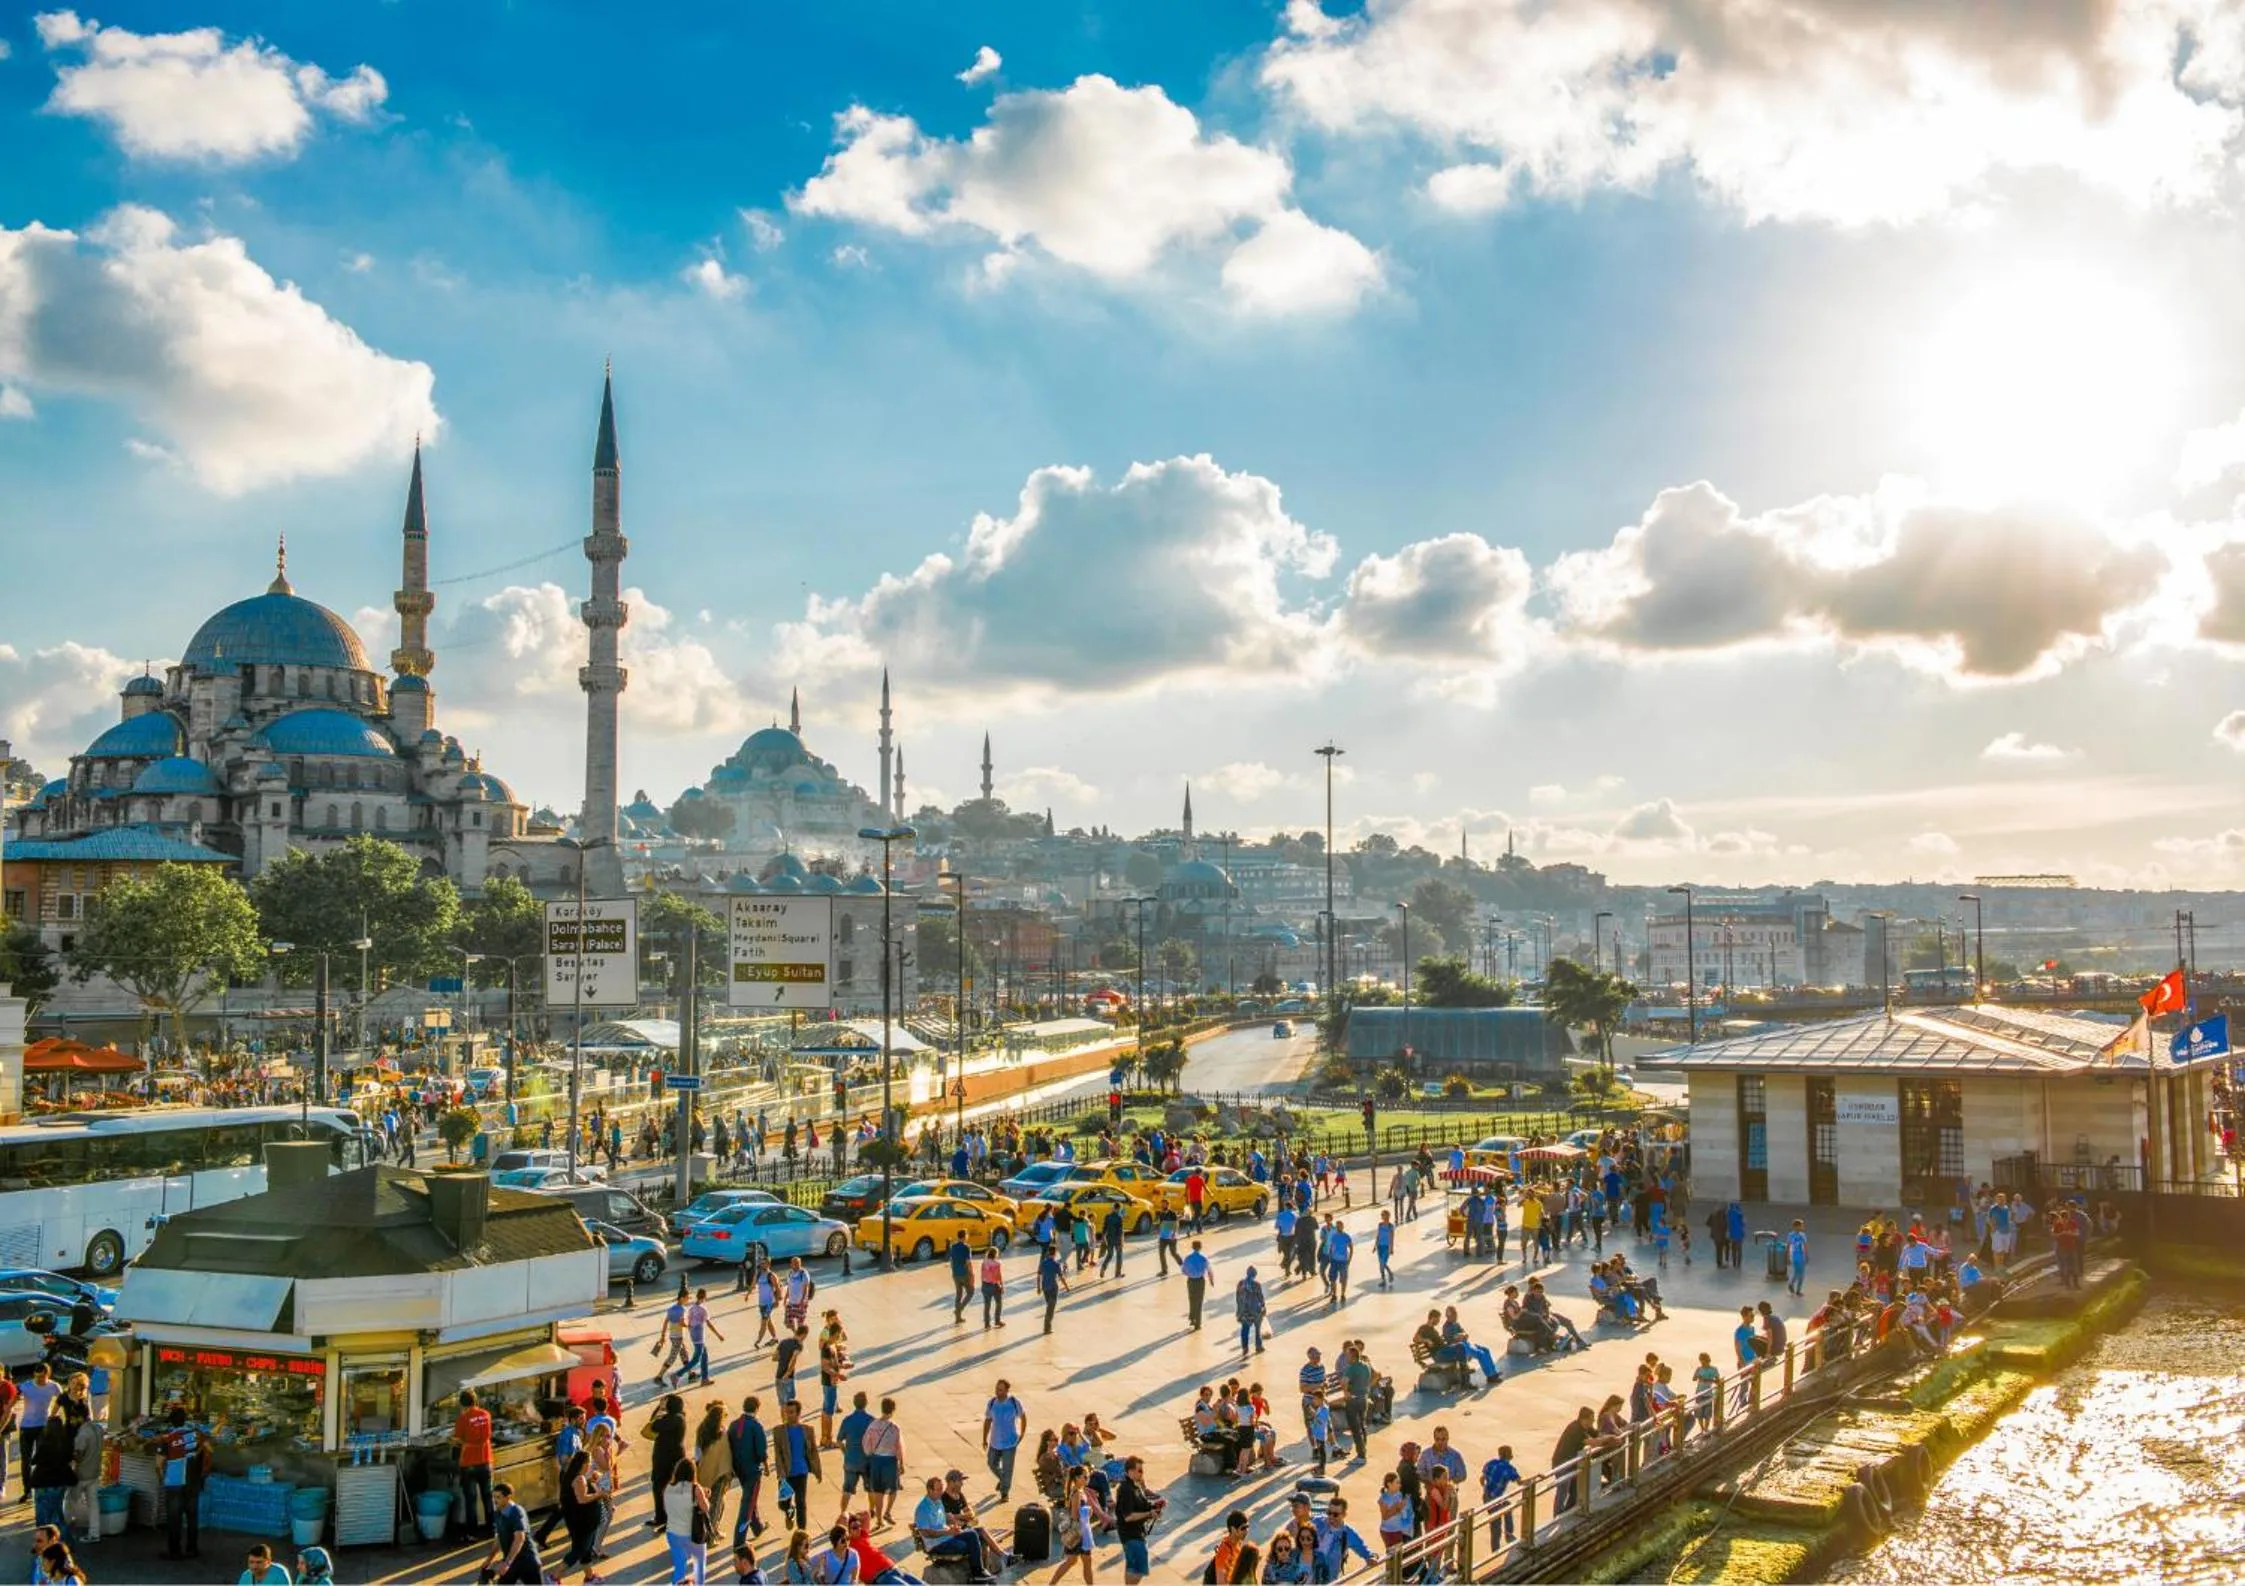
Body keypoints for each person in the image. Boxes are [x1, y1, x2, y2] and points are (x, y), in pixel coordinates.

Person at [912, 1475, 996, 1581]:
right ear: (929, 1490)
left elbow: (942, 1522)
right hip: (936, 1545)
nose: (941, 1492)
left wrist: (953, 1527)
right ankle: (978, 1573)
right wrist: (948, 1532)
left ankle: (980, 1572)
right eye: (938, 1490)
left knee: (976, 1533)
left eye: (942, 1489)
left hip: (947, 1537)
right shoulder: (923, 1509)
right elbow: (927, 1533)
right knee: (968, 1542)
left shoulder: (938, 1502)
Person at [158, 1403, 207, 1560]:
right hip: (192, 1482)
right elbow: (205, 1447)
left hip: (174, 1483)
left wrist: (161, 1479)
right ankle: (192, 1549)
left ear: (171, 1422)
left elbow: (159, 1464)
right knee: (192, 1517)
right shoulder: (195, 1434)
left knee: (174, 1519)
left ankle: (174, 1551)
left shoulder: (167, 1439)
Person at [1048, 1466, 1106, 1584]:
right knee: (1078, 1561)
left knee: (1076, 1561)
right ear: (1077, 1478)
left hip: (1081, 1532)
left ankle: (1052, 1584)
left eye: (1088, 1476)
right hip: (1079, 1533)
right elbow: (1074, 1515)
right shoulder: (1077, 1494)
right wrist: (1088, 1512)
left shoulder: (1079, 1491)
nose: (1087, 1479)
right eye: (1085, 1477)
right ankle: (1052, 1584)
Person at [1111, 1454, 1164, 1583]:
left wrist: (1156, 1506)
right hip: (1131, 1535)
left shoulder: (1135, 1487)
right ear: (1130, 1471)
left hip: (1136, 1533)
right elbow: (1128, 1517)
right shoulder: (1126, 1490)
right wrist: (1149, 1514)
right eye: (1139, 1470)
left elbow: (1143, 1505)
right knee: (1138, 1570)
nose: (1142, 1473)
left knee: (1133, 1567)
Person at [728, 1395, 771, 1550]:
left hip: (740, 1470)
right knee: (747, 1505)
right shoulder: (755, 1426)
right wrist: (766, 1466)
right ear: (757, 1408)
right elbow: (761, 1451)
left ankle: (757, 1527)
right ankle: (739, 1541)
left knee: (750, 1498)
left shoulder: (734, 1424)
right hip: (753, 1470)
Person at [643, 1393, 690, 1531]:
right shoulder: (671, 1417)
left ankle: (669, 1520)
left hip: (670, 1459)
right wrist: (660, 1408)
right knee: (658, 1487)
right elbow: (652, 1421)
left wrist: (661, 1409)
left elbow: (655, 1426)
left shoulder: (677, 1418)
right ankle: (660, 1517)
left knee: (666, 1489)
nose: (662, 1404)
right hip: (663, 1457)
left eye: (665, 1402)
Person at [664, 1455, 714, 1586]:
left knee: (679, 1567)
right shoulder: (695, 1488)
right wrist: (705, 1495)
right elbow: (705, 1508)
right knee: (699, 1565)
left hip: (673, 1534)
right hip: (692, 1534)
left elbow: (668, 1508)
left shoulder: (668, 1488)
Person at [453, 1388, 497, 1538]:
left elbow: (458, 1439)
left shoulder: (463, 1419)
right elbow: (487, 1435)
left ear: (462, 1404)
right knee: (488, 1498)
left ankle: (472, 1533)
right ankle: (492, 1529)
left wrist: (452, 1440)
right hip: (486, 1461)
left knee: (471, 1500)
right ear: (475, 1401)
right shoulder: (486, 1414)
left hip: (469, 1464)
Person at [485, 1480, 546, 1584]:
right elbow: (499, 1537)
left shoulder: (516, 1512)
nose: (495, 1500)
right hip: (511, 1560)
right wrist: (489, 1559)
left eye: (498, 1497)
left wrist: (507, 1563)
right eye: (494, 1497)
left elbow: (519, 1538)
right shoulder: (497, 1513)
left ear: (508, 1497)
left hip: (527, 1561)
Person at [773, 1402, 822, 1531]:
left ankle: (801, 1531)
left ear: (798, 1413)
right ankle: (790, 1511)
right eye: (786, 1412)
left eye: (791, 1412)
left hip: (801, 1471)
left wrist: (818, 1471)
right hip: (786, 1473)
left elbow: (813, 1451)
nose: (788, 1415)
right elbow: (778, 1454)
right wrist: (780, 1473)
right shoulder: (779, 1431)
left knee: (801, 1502)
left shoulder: (807, 1430)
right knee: (783, 1503)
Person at [861, 1397, 906, 1529]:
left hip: (876, 1460)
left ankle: (879, 1519)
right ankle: (888, 1512)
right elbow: (899, 1447)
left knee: (878, 1491)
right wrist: (901, 1463)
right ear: (893, 1410)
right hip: (890, 1461)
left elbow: (866, 1443)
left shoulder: (873, 1425)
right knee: (893, 1489)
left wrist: (870, 1453)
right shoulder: (894, 1428)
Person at [1310, 1496, 1377, 1579]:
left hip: (1328, 1578)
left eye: (1335, 1514)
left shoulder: (1348, 1533)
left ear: (1344, 1515)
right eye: (1329, 1512)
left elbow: (1363, 1549)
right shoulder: (1317, 1522)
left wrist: (1371, 1557)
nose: (1331, 1517)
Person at [983, 1380, 1027, 1503]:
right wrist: (984, 1438)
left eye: (1001, 1390)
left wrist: (1022, 1433)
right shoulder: (992, 1403)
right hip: (995, 1441)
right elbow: (988, 1420)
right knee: (991, 1463)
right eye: (997, 1389)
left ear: (1007, 1390)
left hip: (1010, 1442)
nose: (998, 1392)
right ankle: (1003, 1480)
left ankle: (1004, 1492)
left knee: (1008, 1468)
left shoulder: (1014, 1402)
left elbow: (1023, 1417)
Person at [1235, 1267, 1267, 1354]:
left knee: (1245, 1330)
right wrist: (1264, 1307)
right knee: (1257, 1330)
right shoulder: (1257, 1284)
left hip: (1245, 1311)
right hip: (1256, 1311)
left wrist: (1239, 1311)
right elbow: (1261, 1298)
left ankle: (1245, 1348)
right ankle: (1258, 1346)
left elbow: (1238, 1298)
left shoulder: (1240, 1284)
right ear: (1255, 1275)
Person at [1038, 1243, 1069, 1333]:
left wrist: (1038, 1288)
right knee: (1050, 1309)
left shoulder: (1043, 1263)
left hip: (1045, 1287)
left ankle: (1048, 1327)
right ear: (1055, 1253)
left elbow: (1038, 1275)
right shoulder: (1056, 1264)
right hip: (1053, 1288)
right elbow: (1061, 1277)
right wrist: (1066, 1287)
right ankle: (1047, 1328)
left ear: (1048, 1252)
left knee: (1049, 1306)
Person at [1180, 1240, 1211, 1329]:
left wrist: (1190, 1274)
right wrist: (1211, 1280)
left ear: (1192, 1247)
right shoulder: (1204, 1257)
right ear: (1200, 1247)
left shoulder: (1188, 1257)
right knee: (1199, 1301)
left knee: (1192, 1299)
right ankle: (1198, 1323)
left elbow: (1183, 1271)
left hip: (1191, 1281)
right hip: (1200, 1281)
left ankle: (1192, 1318)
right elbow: (1209, 1270)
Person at [950, 1234, 976, 1323]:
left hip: (955, 1274)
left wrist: (953, 1271)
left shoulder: (953, 1246)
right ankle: (959, 1310)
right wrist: (971, 1274)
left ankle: (958, 1318)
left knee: (958, 1294)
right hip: (964, 1274)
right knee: (971, 1292)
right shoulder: (966, 1247)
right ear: (965, 1236)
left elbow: (951, 1261)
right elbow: (968, 1262)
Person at [1786, 1219, 1809, 1297]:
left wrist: (1806, 1256)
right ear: (1796, 1226)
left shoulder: (1799, 1235)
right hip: (1797, 1256)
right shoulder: (1796, 1235)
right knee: (1800, 1274)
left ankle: (1793, 1286)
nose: (1802, 1227)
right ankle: (1796, 1289)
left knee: (1798, 1273)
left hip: (1797, 1256)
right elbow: (1788, 1246)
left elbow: (1805, 1246)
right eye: (1801, 1226)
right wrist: (1787, 1257)